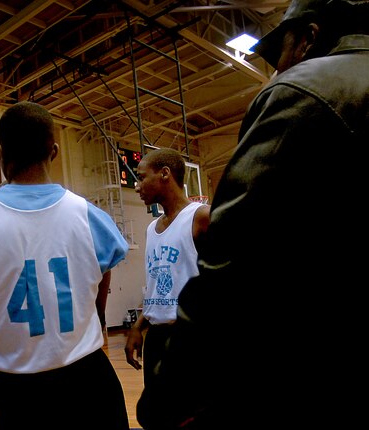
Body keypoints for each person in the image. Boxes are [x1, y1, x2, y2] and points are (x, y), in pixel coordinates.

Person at [136, 1, 369, 428]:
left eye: (279, 54)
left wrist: (172, 393)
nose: (277, 70)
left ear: (309, 38)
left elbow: (233, 267)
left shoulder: (303, 91)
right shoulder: (153, 227)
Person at [0, 101, 131, 430]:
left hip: (19, 394)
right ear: (54, 151)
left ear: (1, 153)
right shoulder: (92, 218)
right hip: (90, 382)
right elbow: (101, 281)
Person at [122, 148, 209, 427]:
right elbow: (158, 286)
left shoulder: (201, 217)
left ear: (165, 174)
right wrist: (138, 327)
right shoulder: (151, 229)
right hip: (158, 340)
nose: (137, 186)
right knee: (157, 417)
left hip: (192, 339)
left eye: (141, 178)